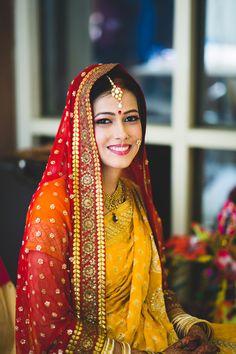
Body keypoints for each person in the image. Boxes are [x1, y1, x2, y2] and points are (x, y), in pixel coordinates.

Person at [15, 63, 236, 353]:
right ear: (81, 128)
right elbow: (51, 330)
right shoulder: (55, 206)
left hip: (157, 336)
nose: (122, 133)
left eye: (131, 118)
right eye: (105, 121)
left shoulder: (133, 194)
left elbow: (155, 294)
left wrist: (190, 327)